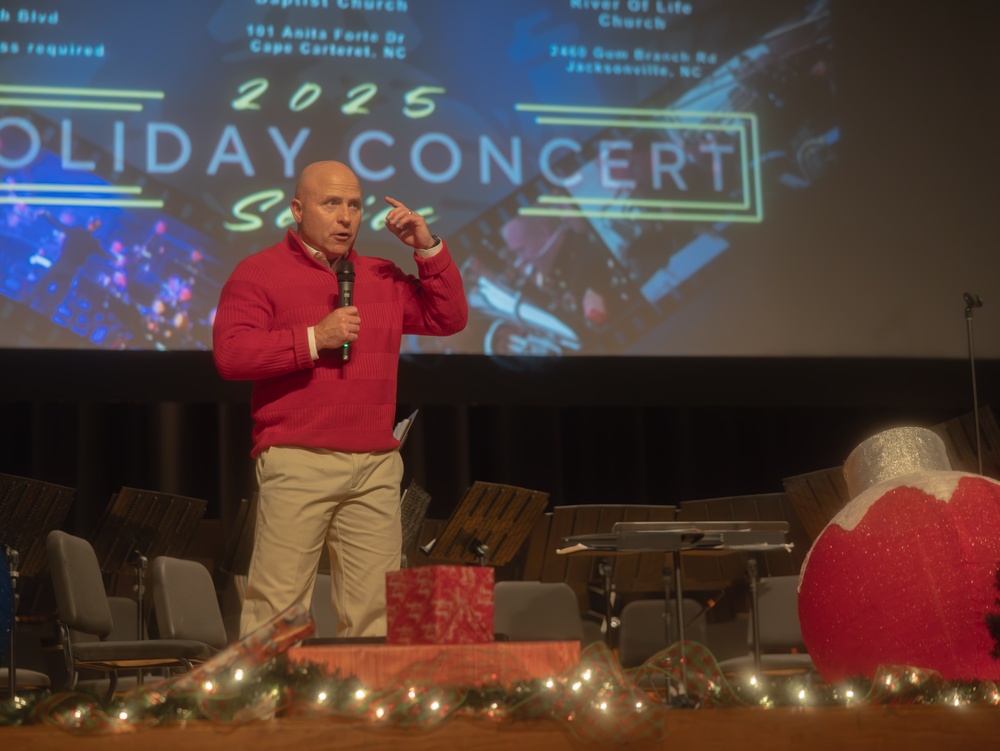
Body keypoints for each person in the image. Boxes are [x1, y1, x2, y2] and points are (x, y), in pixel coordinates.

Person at [212, 160, 468, 639]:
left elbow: (448, 318)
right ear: (297, 209)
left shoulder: (381, 275)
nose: (346, 217)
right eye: (332, 203)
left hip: (375, 464)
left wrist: (427, 249)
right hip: (297, 458)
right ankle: (266, 713)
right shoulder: (258, 272)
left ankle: (363, 713)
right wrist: (313, 339)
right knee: (278, 610)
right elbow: (231, 355)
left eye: (354, 205)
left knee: (377, 614)